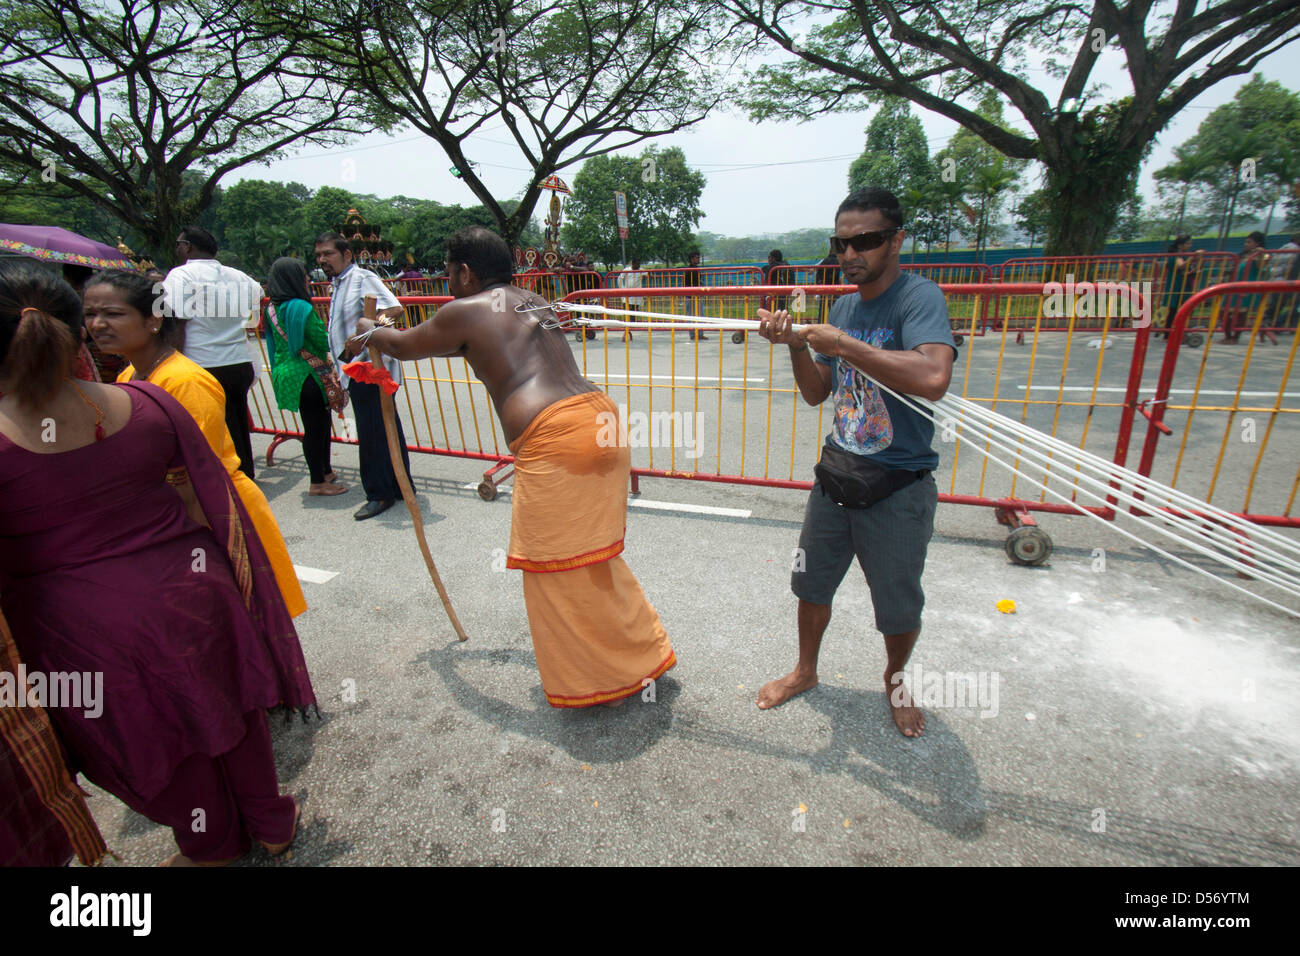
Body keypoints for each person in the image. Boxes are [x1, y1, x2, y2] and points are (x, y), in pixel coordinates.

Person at [0, 260, 312, 865]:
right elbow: (202, 500)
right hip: (193, 590)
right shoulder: (143, 402)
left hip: (84, 629)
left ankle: (211, 843)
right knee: (232, 707)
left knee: (157, 735)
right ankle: (270, 820)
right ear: (76, 333)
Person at [351, 226, 675, 708]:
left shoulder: (464, 310)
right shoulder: (531, 300)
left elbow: (404, 345)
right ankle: (641, 658)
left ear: (465, 272)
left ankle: (606, 678)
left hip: (556, 436)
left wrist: (371, 332)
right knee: (591, 557)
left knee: (552, 566)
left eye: (448, 272)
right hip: (599, 418)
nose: (446, 282)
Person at [753, 188, 956, 739]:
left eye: (864, 240)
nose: (850, 253)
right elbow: (819, 393)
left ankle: (895, 680)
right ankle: (805, 670)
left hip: (899, 484)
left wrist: (844, 344)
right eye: (841, 242)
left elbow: (933, 378)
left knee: (896, 603)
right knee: (810, 584)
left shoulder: (919, 299)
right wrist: (797, 344)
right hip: (838, 474)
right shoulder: (843, 306)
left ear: (896, 240)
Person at [86, 269, 308, 618]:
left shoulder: (185, 381)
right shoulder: (128, 376)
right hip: (174, 513)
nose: (98, 324)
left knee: (241, 623)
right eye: (90, 314)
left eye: (113, 313)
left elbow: (196, 473)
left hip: (208, 513)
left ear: (152, 320)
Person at [315, 231, 412, 520]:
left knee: (372, 432)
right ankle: (398, 485)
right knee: (383, 428)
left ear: (347, 255)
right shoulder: (338, 284)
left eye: (328, 254)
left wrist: (369, 332)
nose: (322, 260)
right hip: (353, 369)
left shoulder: (361, 278)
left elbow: (394, 310)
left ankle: (379, 493)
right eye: (319, 255)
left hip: (369, 369)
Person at [163, 225, 263, 480]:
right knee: (238, 422)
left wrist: (171, 364)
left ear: (188, 247)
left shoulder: (181, 275)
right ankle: (245, 476)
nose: (177, 248)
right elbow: (258, 295)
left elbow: (178, 320)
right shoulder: (238, 276)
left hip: (203, 361)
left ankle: (224, 481)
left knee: (211, 427)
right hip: (239, 361)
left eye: (178, 244)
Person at [264, 257, 347, 496]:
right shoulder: (301, 307)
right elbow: (321, 339)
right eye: (304, 275)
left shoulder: (270, 308)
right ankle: (318, 481)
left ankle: (326, 472)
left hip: (287, 372)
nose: (308, 279)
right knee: (316, 429)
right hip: (308, 374)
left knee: (316, 426)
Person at [1227, 231, 1277, 345]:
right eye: (1245, 241)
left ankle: (1234, 337)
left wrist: (1259, 255)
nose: (1246, 244)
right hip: (1236, 286)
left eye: (1249, 242)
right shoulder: (1242, 255)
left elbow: (1261, 266)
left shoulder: (1263, 255)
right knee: (1226, 311)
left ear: (1257, 243)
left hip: (1249, 287)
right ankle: (1262, 329)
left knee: (1241, 312)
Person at [1156, 235, 1202, 340]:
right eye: (1188, 243)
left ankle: (1174, 332)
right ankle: (1169, 333)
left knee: (1179, 309)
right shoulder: (1176, 255)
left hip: (1183, 284)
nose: (1190, 246)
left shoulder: (1184, 255)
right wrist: (1192, 256)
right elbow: (1181, 266)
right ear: (1180, 245)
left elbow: (1187, 271)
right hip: (1176, 286)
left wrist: (1197, 261)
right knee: (1173, 310)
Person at [616, 257, 647, 341]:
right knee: (627, 311)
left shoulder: (641, 270)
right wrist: (622, 289)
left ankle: (628, 328)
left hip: (636, 295)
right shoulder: (627, 270)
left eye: (639, 264)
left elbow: (647, 274)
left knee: (633, 313)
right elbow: (619, 279)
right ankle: (627, 329)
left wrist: (649, 275)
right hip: (627, 294)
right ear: (633, 264)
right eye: (636, 264)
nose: (638, 265)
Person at [683, 250, 707, 341]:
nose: (698, 259)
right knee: (691, 315)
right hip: (690, 296)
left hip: (697, 295)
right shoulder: (689, 270)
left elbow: (697, 282)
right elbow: (687, 283)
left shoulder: (696, 269)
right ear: (692, 259)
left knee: (700, 315)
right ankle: (693, 334)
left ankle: (700, 334)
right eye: (697, 257)